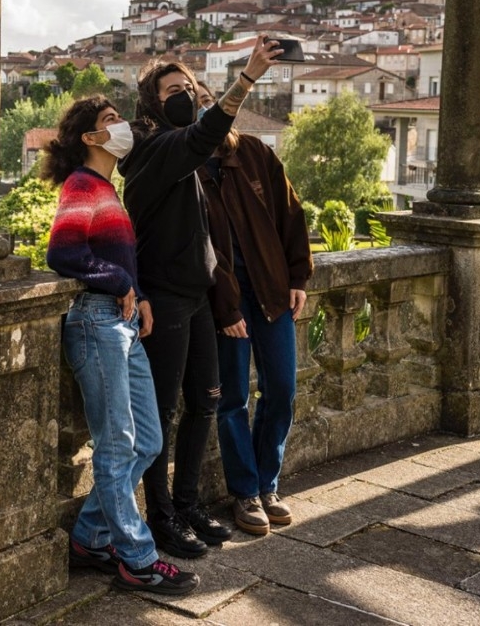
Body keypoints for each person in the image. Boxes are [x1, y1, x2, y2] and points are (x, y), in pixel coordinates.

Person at [118, 40, 279, 559]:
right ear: (151, 102)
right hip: (162, 300)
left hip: (196, 297)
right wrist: (247, 78)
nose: (187, 95)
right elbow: (205, 132)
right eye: (174, 90)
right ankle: (161, 516)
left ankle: (187, 505)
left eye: (191, 88)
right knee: (162, 414)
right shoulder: (151, 151)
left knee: (205, 403)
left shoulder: (182, 151)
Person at [45, 95, 199, 596]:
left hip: (122, 324)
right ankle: (138, 558)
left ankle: (90, 537)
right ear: (91, 139)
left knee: (148, 441)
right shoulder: (82, 185)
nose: (123, 126)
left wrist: (140, 295)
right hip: (95, 322)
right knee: (115, 446)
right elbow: (64, 252)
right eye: (110, 121)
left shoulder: (109, 189)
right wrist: (119, 282)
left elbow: (117, 258)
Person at [199, 127, 313, 535]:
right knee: (233, 398)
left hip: (272, 291)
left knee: (282, 389)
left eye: (206, 95)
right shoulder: (184, 164)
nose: (202, 104)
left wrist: (298, 276)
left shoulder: (252, 152)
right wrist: (224, 307)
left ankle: (269, 485)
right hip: (225, 302)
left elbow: (290, 213)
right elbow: (196, 248)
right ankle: (245, 492)